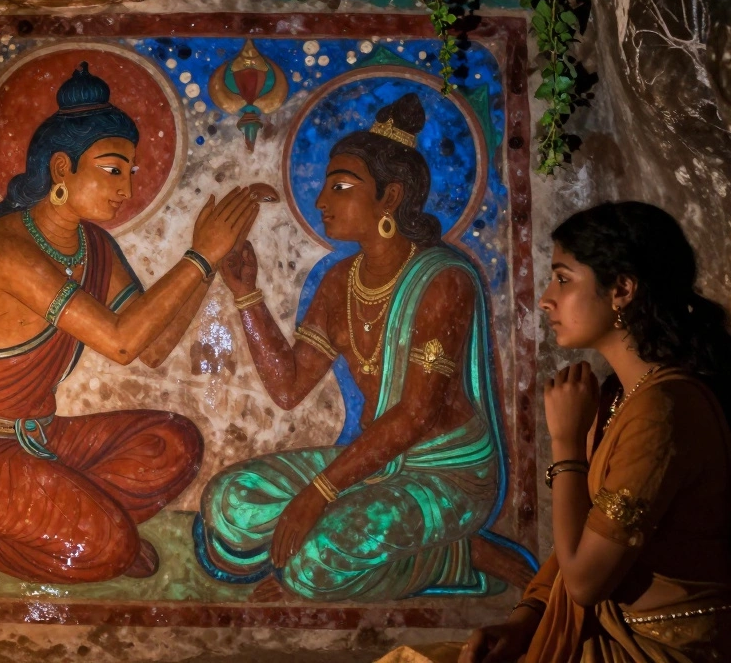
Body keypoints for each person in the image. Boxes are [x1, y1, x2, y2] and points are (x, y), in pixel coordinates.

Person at [0, 62, 261, 586]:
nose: (127, 188)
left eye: (132, 173)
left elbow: (151, 347)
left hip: (34, 437)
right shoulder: (6, 249)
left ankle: (79, 525)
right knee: (110, 550)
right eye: (114, 169)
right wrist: (200, 256)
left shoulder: (95, 248)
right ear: (62, 169)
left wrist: (208, 269)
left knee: (174, 442)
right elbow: (118, 343)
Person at [195, 93, 535, 602]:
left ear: (389, 198)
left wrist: (319, 493)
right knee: (227, 503)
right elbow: (289, 387)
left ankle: (460, 555)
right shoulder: (339, 282)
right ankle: (349, 542)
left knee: (312, 571)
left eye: (341, 187)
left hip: (447, 471)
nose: (322, 202)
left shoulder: (444, 280)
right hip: (376, 460)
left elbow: (418, 414)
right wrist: (247, 294)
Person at [461, 202, 731, 663]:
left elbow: (586, 581)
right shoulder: (617, 396)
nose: (546, 299)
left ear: (622, 289)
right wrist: (525, 620)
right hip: (614, 635)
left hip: (667, 649)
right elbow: (582, 546)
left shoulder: (664, 412)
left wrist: (566, 444)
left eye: (563, 279)